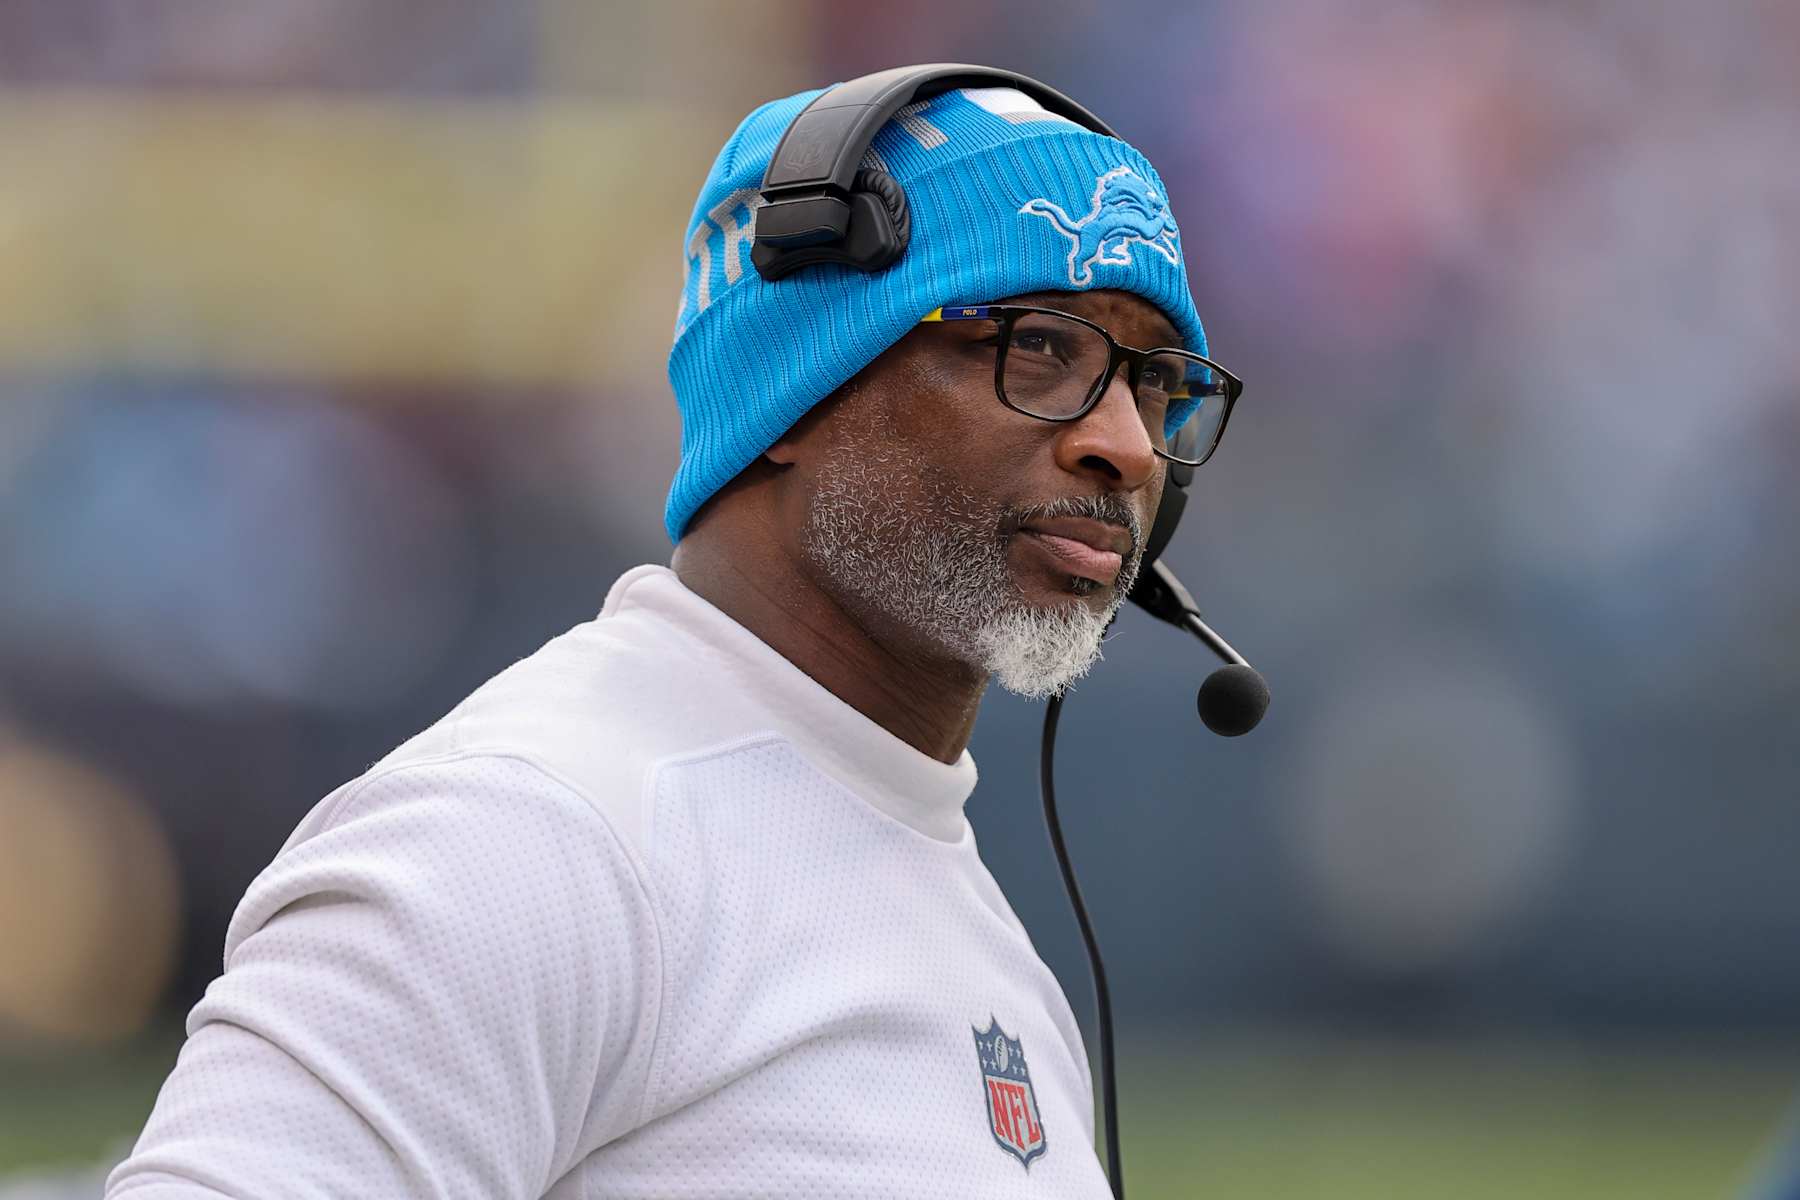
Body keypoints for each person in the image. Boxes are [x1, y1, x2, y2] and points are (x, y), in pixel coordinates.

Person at [106, 70, 1237, 1198]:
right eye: (1040, 347)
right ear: (801, 385)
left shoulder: (974, 929)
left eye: (1155, 382)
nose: (1130, 445)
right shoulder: (529, 835)